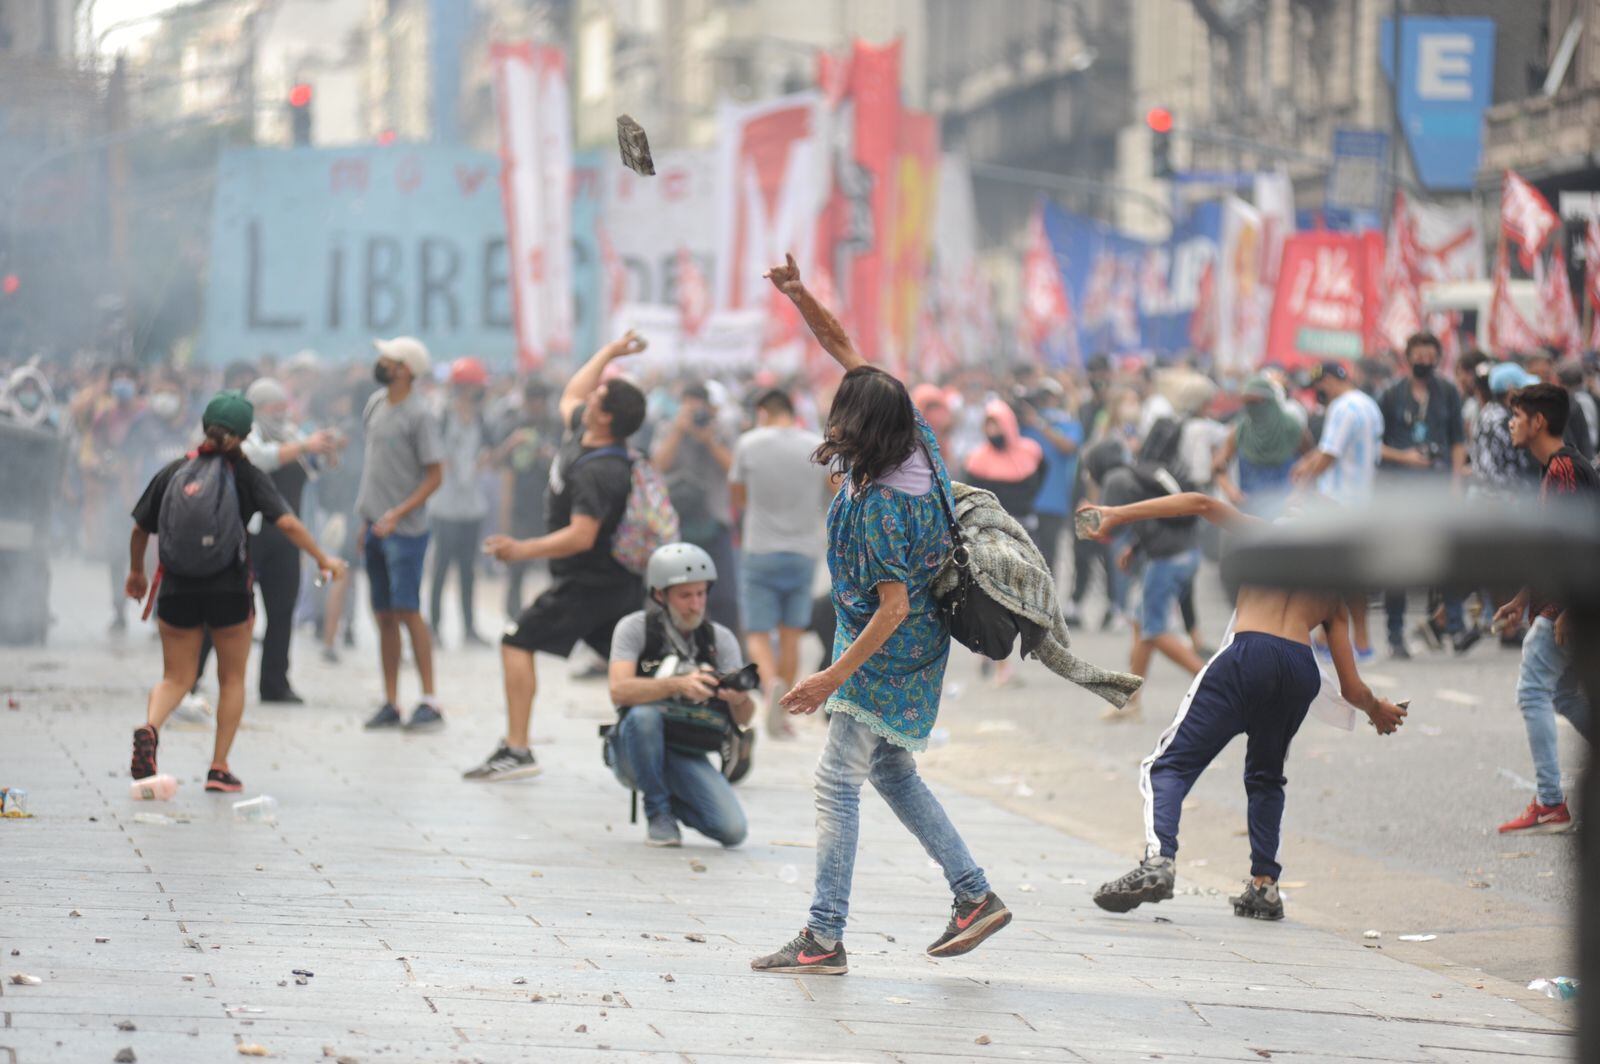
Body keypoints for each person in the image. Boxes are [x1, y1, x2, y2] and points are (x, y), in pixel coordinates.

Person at [750, 255, 1010, 977]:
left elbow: (892, 609)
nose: (832, 417)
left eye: (841, 413)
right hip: (897, 642)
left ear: (861, 425)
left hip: (890, 650)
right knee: (891, 772)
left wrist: (831, 678)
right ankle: (974, 895)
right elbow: (844, 348)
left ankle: (823, 937)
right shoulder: (912, 433)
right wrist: (802, 294)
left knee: (838, 783)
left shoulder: (890, 504)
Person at [1077, 491, 1404, 920]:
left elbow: (1199, 503)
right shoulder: (1331, 594)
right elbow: (1351, 687)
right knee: (1267, 777)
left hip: (1250, 656)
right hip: (1298, 670)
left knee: (1168, 766)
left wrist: (1118, 512)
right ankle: (1264, 887)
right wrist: (1376, 709)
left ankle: (1159, 859)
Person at [126, 392, 347, 794]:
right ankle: (219, 767)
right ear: (245, 436)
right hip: (229, 589)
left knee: (176, 676)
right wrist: (322, 558)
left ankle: (151, 727)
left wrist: (135, 574)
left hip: (176, 588)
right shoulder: (245, 474)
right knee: (231, 679)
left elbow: (141, 528)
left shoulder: (175, 470)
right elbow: (288, 523)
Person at [471, 331, 650, 781]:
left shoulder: (602, 470)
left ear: (606, 418)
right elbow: (573, 391)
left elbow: (581, 536)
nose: (589, 395)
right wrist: (609, 352)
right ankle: (699, 721)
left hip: (588, 585)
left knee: (516, 641)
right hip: (611, 585)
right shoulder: (582, 433)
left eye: (600, 396)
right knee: (640, 670)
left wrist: (520, 550)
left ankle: (517, 749)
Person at [1491, 383, 1597, 834]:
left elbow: (1583, 539)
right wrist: (1520, 600)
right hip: (1559, 601)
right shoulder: (1556, 467)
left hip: (1568, 603)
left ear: (1538, 422)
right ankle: (1550, 798)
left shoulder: (1564, 468)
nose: (1511, 423)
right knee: (1565, 693)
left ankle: (1550, 799)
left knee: (1533, 690)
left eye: (1517, 416)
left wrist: (1569, 608)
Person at [606, 543, 754, 847]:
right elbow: (619, 691)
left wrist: (738, 699)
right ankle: (657, 812)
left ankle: (669, 796)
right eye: (685, 596)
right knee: (644, 716)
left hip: (687, 747)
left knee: (732, 830)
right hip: (633, 744)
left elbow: (745, 719)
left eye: (701, 594)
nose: (696, 604)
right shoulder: (635, 628)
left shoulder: (719, 639)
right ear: (660, 595)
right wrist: (677, 684)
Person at [729, 388, 829, 739]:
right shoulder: (815, 445)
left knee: (757, 632)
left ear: (763, 411)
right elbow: (833, 487)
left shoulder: (748, 444)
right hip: (803, 551)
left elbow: (738, 497)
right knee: (791, 634)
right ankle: (784, 708)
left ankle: (770, 683)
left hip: (760, 549)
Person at [357, 337, 445, 732]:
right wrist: (368, 519)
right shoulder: (376, 404)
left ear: (405, 368)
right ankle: (391, 700)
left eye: (388, 358)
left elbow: (435, 475)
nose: (380, 363)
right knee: (384, 615)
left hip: (406, 531)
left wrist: (398, 513)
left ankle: (429, 699)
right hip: (374, 525)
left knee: (409, 611)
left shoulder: (420, 414)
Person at [241, 377, 342, 703]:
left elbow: (312, 466)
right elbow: (262, 458)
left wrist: (325, 453)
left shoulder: (292, 435)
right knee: (231, 612)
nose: (281, 415)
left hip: (286, 538)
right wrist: (304, 446)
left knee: (282, 611)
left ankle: (275, 683)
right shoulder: (246, 437)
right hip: (251, 536)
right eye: (275, 409)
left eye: (285, 408)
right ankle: (196, 677)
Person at [1375, 333, 1471, 657]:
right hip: (1400, 491)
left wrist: (1457, 484)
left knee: (1448, 560)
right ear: (1408, 356)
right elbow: (1376, 444)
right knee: (1398, 564)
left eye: (1431, 355)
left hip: (1439, 488)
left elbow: (1458, 440)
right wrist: (1406, 457)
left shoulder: (1447, 392)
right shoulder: (1390, 395)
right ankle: (1395, 634)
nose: (1425, 361)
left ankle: (1456, 629)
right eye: (1419, 355)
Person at [1291, 361, 1384, 663]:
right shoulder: (1369, 405)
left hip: (1338, 501)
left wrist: (1302, 486)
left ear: (1329, 381)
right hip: (1362, 500)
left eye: (1319, 386)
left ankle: (1338, 641)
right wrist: (1306, 464)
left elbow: (1330, 454)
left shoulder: (1342, 408)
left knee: (1333, 575)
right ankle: (1351, 641)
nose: (1319, 392)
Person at [654, 382, 740, 633]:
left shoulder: (722, 430)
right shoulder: (668, 428)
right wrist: (678, 432)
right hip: (678, 523)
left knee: (724, 597)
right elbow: (658, 465)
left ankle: (726, 651)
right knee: (674, 594)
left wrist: (709, 440)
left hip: (716, 521)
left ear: (711, 408)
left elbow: (735, 470)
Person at [430, 357, 492, 647]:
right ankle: (434, 627)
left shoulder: (481, 418)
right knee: (441, 568)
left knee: (468, 569)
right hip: (445, 505)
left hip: (472, 506)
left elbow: (487, 451)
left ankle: (469, 629)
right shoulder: (442, 416)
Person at [494, 378, 561, 618]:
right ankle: (514, 615)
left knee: (554, 566)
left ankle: (553, 614)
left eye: (538, 402)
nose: (534, 407)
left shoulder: (556, 427)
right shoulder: (514, 426)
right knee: (517, 565)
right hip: (521, 505)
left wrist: (549, 454)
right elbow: (500, 466)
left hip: (549, 505)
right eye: (530, 402)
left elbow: (566, 462)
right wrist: (511, 445)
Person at [1017, 381, 1083, 592]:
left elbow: (1068, 447)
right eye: (1041, 399)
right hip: (1024, 501)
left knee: (1048, 557)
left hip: (1053, 502)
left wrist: (1041, 424)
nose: (1045, 404)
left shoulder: (1068, 424)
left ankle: (1047, 599)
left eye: (1049, 398)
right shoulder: (1024, 426)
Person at [1213, 375, 1310, 517]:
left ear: (1270, 402)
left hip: (1287, 510)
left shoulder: (1292, 428)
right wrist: (1230, 491)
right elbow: (1218, 467)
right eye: (1247, 403)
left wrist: (1298, 493)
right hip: (1251, 508)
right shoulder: (1241, 430)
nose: (1252, 408)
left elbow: (1312, 462)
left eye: (1256, 402)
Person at [1525, 349, 1593, 460]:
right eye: (1534, 376)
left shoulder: (1568, 403)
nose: (1539, 381)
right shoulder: (1520, 408)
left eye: (1546, 376)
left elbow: (1583, 443)